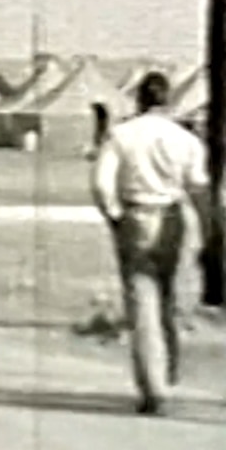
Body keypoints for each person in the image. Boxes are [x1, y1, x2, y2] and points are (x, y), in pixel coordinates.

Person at [91, 71, 213, 416]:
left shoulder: (122, 135)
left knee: (141, 300)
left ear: (140, 98)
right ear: (167, 99)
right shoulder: (184, 139)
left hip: (136, 213)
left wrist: (113, 215)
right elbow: (199, 189)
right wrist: (208, 233)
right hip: (172, 215)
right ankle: (168, 369)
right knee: (168, 296)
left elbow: (101, 184)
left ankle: (152, 385)